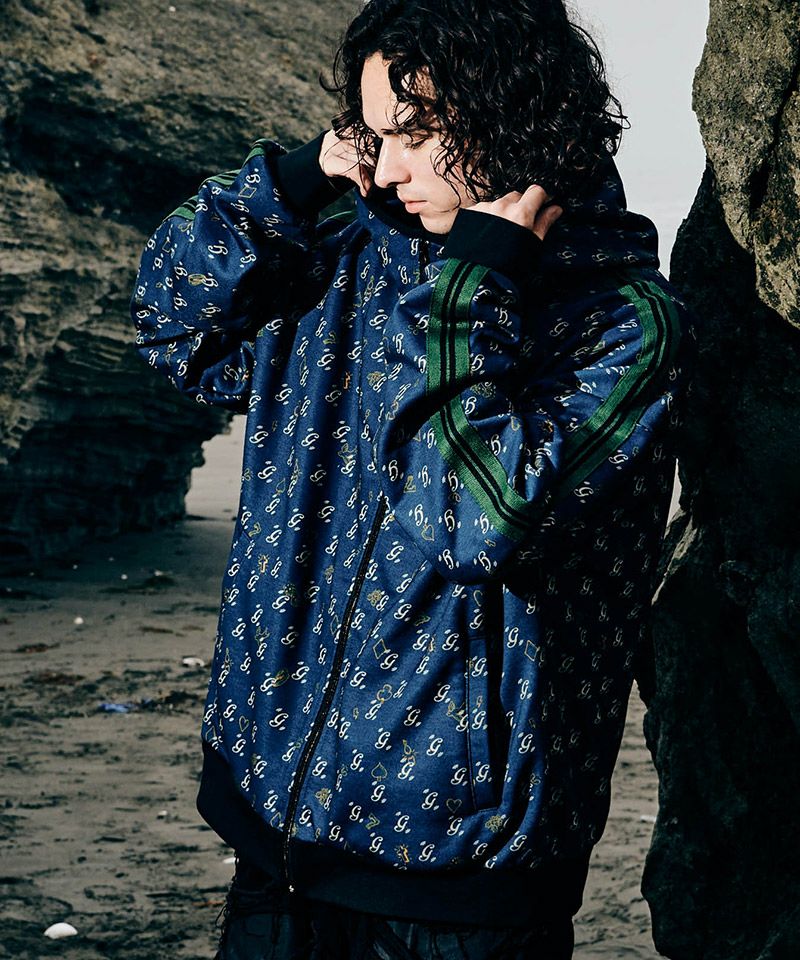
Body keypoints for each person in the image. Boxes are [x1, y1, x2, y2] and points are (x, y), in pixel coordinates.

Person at [130, 0, 697, 956]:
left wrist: (471, 291)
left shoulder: (622, 324)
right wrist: (297, 177)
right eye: (372, 135)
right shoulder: (348, 261)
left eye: (416, 133)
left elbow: (472, 518)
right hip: (274, 829)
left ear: (519, 116)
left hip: (459, 878)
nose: (386, 169)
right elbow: (171, 323)